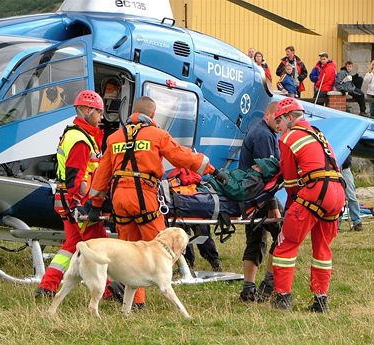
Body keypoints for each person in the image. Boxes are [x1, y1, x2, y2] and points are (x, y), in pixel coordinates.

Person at [88, 96, 228, 308]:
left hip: (120, 199)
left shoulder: (114, 138)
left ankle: (134, 299)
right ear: (152, 114)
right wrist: (213, 171)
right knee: (161, 244)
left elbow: (101, 176)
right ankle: (161, 285)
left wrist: (95, 205)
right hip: (144, 196)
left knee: (128, 249)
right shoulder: (157, 135)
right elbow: (183, 157)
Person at [271, 97, 345, 313]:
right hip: (337, 193)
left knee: (286, 245)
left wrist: (294, 203)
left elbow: (291, 179)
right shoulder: (318, 134)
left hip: (315, 192)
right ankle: (321, 300)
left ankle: (282, 298)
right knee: (322, 248)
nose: (278, 127)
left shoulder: (289, 138)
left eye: (280, 121)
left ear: (290, 118)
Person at [36, 90, 110, 298]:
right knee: (99, 245)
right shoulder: (80, 140)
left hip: (65, 200)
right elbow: (75, 178)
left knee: (71, 245)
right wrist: (79, 204)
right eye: (98, 112)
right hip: (75, 201)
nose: (101, 117)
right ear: (87, 110)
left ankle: (47, 286)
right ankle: (110, 291)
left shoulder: (76, 134)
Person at [238, 101, 282, 303]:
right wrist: (273, 206)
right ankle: (269, 284)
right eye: (278, 118)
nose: (280, 122)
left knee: (255, 240)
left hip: (249, 196)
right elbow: (268, 175)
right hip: (259, 196)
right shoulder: (264, 135)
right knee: (283, 234)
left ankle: (248, 289)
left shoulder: (263, 131)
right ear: (268, 115)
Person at [339, 155, 362, 231]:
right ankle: (335, 225)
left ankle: (357, 223)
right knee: (337, 198)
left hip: (345, 169)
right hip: (332, 169)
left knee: (351, 196)